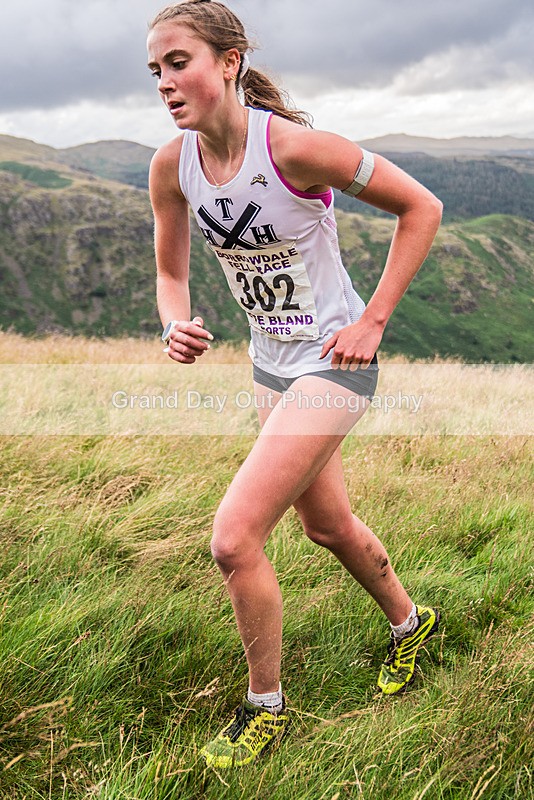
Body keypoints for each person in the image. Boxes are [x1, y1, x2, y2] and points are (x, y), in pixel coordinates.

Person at [147, 0, 443, 769]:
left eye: (178, 63)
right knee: (327, 526)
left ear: (229, 61)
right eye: (155, 72)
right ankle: (414, 625)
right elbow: (170, 270)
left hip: (334, 365)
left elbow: (422, 207)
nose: (165, 84)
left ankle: (265, 708)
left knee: (234, 537)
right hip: (270, 366)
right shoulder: (171, 165)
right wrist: (174, 320)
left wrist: (373, 320)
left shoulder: (298, 150)